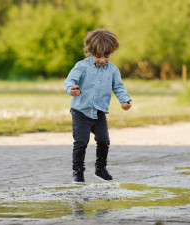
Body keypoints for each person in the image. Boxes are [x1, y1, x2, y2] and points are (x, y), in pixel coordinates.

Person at [64, 29, 132, 184]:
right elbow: (70, 81)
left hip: (100, 112)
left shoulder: (113, 70)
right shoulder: (81, 66)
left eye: (106, 56)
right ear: (90, 51)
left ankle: (100, 169)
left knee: (104, 140)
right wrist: (71, 89)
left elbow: (119, 87)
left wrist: (125, 100)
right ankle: (78, 171)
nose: (102, 60)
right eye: (98, 56)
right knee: (81, 141)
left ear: (112, 53)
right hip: (81, 111)